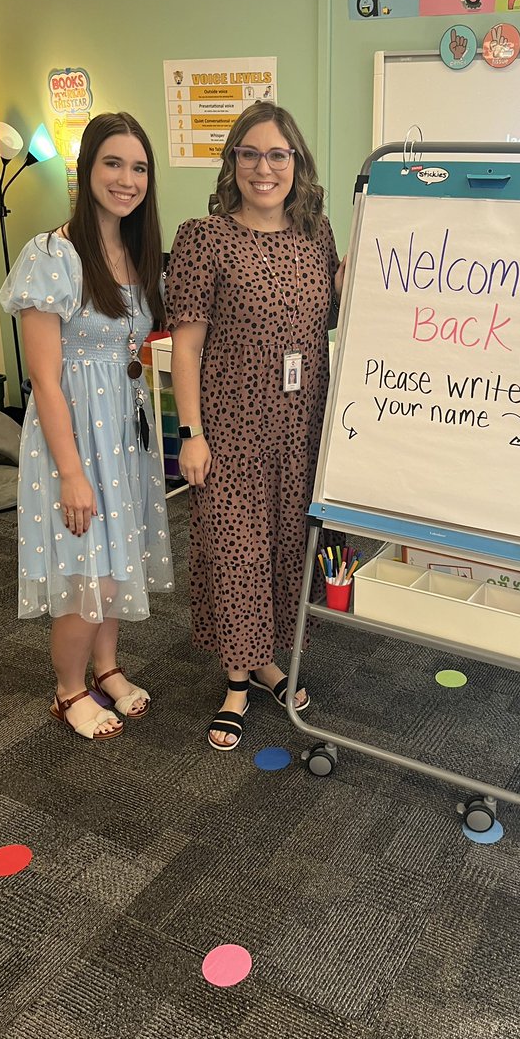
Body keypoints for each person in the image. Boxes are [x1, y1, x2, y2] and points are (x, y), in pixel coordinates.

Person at [165, 102, 343, 752]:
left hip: (301, 428)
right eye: (250, 154)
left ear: (297, 164)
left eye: (277, 155)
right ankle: (237, 682)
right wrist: (191, 434)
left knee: (287, 551)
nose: (263, 168)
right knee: (236, 553)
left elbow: (332, 317)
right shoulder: (203, 238)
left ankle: (268, 659)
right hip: (231, 430)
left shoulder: (317, 235)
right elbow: (186, 347)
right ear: (232, 162)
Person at [0, 112, 173, 741]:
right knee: (87, 570)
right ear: (86, 169)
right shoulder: (51, 255)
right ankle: (69, 689)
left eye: (139, 168)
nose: (127, 180)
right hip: (72, 435)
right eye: (113, 163)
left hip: (123, 429)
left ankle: (107, 667)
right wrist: (71, 474)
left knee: (118, 559)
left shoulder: (136, 250)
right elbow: (45, 380)